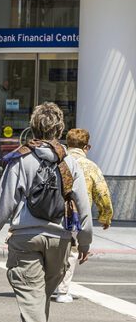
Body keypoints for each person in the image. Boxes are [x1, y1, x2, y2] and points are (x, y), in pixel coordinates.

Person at [0, 102, 92, 322]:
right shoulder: (70, 162)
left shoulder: (21, 158)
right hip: (60, 238)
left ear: (33, 126)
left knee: (30, 294)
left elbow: (5, 201)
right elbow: (84, 207)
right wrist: (84, 241)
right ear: (60, 128)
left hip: (26, 236)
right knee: (39, 296)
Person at [54, 128, 113, 303]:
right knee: (71, 251)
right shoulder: (90, 166)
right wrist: (105, 216)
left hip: (52, 211)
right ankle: (63, 291)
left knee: (52, 248)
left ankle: (47, 285)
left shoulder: (58, 160)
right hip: (75, 214)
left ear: (67, 143)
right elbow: (102, 193)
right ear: (87, 146)